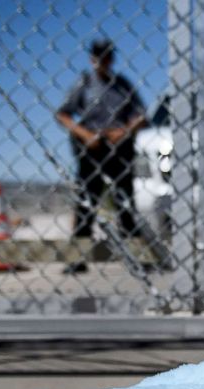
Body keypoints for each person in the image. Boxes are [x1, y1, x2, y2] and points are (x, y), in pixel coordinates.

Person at [56, 38, 147, 272]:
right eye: (98, 57)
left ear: (111, 58)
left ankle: (136, 257)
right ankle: (78, 258)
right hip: (91, 149)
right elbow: (63, 114)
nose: (102, 62)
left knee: (125, 203)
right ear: (91, 58)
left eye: (106, 56)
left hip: (119, 147)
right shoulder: (84, 84)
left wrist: (123, 131)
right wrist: (85, 134)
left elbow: (141, 116)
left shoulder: (122, 85)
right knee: (86, 203)